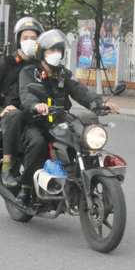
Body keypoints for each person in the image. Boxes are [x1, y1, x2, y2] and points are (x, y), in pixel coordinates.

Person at [18, 29, 120, 203]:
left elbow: (81, 92)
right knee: (37, 143)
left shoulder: (64, 74)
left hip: (61, 119)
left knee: (84, 138)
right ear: (42, 53)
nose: (56, 54)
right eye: (51, 51)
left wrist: (100, 104)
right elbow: (26, 95)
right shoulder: (29, 72)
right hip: (37, 121)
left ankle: (76, 177)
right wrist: (36, 105)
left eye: (58, 50)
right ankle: (25, 188)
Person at [0, 17, 44, 189]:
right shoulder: (6, 63)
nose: (30, 41)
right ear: (18, 41)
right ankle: (7, 168)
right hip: (13, 115)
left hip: (36, 113)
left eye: (34, 37)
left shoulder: (42, 64)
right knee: (14, 114)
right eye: (25, 38)